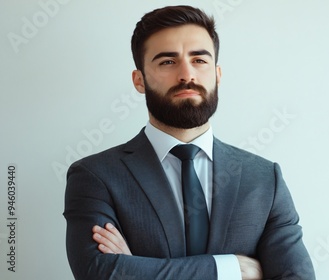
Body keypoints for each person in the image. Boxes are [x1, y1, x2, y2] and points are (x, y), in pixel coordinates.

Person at [63, 5, 315, 280]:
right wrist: (229, 269)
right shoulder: (95, 176)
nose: (187, 75)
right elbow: (100, 273)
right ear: (140, 81)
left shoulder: (265, 178)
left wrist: (136, 268)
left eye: (199, 60)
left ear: (217, 75)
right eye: (168, 62)